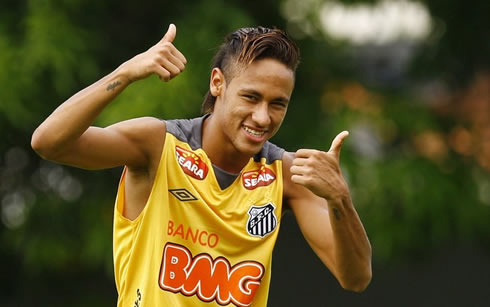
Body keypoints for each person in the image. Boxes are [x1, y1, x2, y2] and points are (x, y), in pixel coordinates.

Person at [31, 24, 371, 306]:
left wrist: (340, 198)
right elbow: (48, 142)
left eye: (277, 104)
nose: (263, 117)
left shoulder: (286, 175)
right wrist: (127, 72)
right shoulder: (158, 144)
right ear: (217, 83)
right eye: (251, 97)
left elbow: (355, 278)